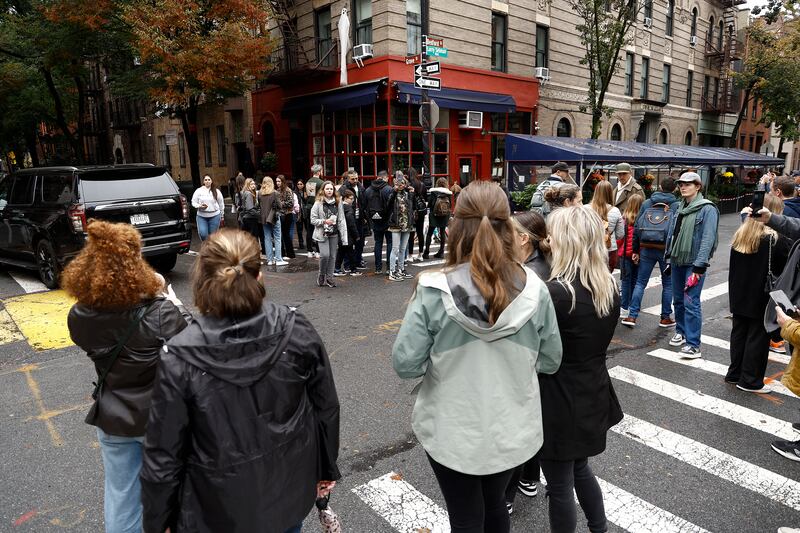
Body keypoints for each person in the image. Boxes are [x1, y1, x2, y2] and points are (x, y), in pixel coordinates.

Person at [140, 229, 340, 533]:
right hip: (287, 486)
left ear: (203, 282)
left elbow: (164, 454)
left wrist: (158, 521)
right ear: (259, 277)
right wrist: (325, 468)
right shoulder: (295, 327)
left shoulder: (179, 356)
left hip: (217, 505)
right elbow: (325, 407)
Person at [392, 181, 562, 533]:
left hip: (452, 429)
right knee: (495, 505)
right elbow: (550, 361)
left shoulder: (432, 289)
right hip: (511, 429)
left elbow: (406, 364)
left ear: (456, 227)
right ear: (508, 227)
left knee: (466, 516)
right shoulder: (536, 289)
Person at [62, 220, 189, 533]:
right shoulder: (160, 312)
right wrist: (172, 301)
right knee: (176, 491)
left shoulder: (79, 316)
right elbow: (191, 341)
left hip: (113, 416)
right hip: (160, 418)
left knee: (121, 496)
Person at [538, 206, 623, 533]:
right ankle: (599, 528)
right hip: (593, 389)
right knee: (580, 469)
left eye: (553, 235)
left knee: (559, 483)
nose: (548, 240)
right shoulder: (608, 286)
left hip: (557, 397)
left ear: (566, 241)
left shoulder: (556, 293)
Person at [503, 209, 551, 511]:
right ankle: (529, 478)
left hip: (523, 364)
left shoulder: (530, 275)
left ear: (523, 238)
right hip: (535, 363)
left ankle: (507, 494)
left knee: (515, 428)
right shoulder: (539, 266)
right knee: (531, 421)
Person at [725, 194, 790, 392]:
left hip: (739, 292)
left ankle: (734, 373)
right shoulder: (775, 239)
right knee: (758, 336)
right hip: (761, 294)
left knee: (739, 333)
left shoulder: (741, 234)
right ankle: (750, 380)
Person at [664, 171, 720, 359]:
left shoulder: (707, 209)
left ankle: (693, 344)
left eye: (688, 184)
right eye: (681, 184)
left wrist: (699, 265)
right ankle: (680, 331)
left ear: (698, 186)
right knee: (678, 300)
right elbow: (673, 235)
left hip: (694, 262)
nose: (683, 187)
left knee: (691, 302)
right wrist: (669, 258)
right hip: (677, 260)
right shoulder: (679, 207)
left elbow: (708, 238)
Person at [622, 176, 679, 328]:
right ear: (675, 189)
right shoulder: (677, 205)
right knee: (667, 285)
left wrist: (635, 249)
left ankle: (632, 316)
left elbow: (637, 228)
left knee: (640, 282)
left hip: (646, 247)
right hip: (666, 250)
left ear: (660, 186)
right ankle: (665, 317)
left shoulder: (647, 203)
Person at [311, 181, 348, 287]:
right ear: (323, 190)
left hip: (334, 233)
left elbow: (341, 219)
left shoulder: (338, 202)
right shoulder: (318, 203)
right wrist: (324, 221)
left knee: (332, 256)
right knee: (325, 255)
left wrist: (344, 237)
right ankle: (321, 274)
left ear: (334, 191)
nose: (329, 191)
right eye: (327, 189)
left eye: (331, 189)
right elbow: (313, 220)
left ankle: (330, 277)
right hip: (322, 233)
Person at [587, 180, 624, 272]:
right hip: (609, 249)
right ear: (610, 193)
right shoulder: (615, 211)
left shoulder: (585, 209)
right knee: (607, 278)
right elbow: (620, 234)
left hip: (589, 249)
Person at [618, 194, 644, 317]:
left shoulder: (625, 220)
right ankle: (633, 306)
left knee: (625, 281)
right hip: (638, 254)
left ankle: (624, 307)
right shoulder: (643, 220)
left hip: (625, 254)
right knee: (636, 281)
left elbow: (620, 239)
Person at [363, 170, 394, 274]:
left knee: (378, 242)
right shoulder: (388, 189)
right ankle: (389, 267)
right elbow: (392, 205)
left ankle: (378, 268)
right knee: (390, 242)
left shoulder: (368, 190)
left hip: (375, 220)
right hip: (387, 219)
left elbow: (365, 206)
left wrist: (369, 219)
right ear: (385, 178)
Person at [339, 171, 369, 270]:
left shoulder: (361, 187)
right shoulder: (343, 188)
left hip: (359, 217)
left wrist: (364, 216)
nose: (355, 180)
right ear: (348, 179)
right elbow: (339, 204)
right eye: (352, 179)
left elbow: (364, 202)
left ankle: (357, 261)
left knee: (360, 242)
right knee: (348, 243)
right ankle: (348, 264)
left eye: (356, 178)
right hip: (348, 218)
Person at [388, 175, 415, 282]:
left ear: (405, 184)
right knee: (395, 248)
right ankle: (392, 271)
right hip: (395, 224)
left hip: (406, 224)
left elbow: (412, 207)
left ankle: (401, 269)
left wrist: (412, 194)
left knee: (403, 249)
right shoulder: (392, 194)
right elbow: (388, 205)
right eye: (398, 184)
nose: (400, 185)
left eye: (402, 183)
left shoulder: (408, 194)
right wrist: (394, 192)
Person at [334, 189, 362, 277]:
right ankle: (353, 269)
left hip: (341, 233)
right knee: (350, 252)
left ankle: (337, 269)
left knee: (341, 252)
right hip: (348, 234)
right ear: (345, 198)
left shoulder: (340, 206)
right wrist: (356, 235)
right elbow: (351, 223)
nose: (352, 200)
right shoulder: (349, 209)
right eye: (351, 198)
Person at [259, 177, 287, 266]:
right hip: (274, 217)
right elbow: (279, 206)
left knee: (267, 238)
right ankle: (278, 259)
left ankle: (270, 260)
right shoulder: (275, 193)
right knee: (277, 238)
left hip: (263, 217)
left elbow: (259, 205)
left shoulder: (259, 193)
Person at [424, 178, 453, 259]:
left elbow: (430, 204)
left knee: (430, 233)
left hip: (434, 215)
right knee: (442, 232)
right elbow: (450, 205)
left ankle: (426, 252)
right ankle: (441, 252)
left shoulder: (434, 192)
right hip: (444, 215)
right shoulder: (448, 193)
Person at [191, 175, 225, 241]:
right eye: (205, 180)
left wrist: (222, 215)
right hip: (202, 216)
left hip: (215, 216)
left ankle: (210, 249)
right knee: (203, 234)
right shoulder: (198, 191)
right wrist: (199, 206)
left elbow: (221, 203)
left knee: (212, 237)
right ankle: (206, 245)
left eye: (209, 180)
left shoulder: (216, 191)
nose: (207, 181)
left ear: (211, 181)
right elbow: (193, 202)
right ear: (203, 181)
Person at [407, 168, 428, 262]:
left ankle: (410, 255)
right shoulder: (422, 185)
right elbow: (425, 198)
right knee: (420, 233)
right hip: (421, 211)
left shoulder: (408, 185)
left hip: (411, 211)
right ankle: (420, 254)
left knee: (411, 233)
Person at [304, 164, 325, 258]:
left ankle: (309, 250)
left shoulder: (308, 182)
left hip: (308, 207)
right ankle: (318, 251)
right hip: (317, 207)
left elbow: (306, 196)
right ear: (319, 171)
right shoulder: (321, 183)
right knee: (318, 228)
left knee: (309, 229)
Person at [239, 178, 264, 254]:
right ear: (247, 185)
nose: (253, 186)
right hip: (251, 219)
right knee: (254, 239)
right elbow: (250, 208)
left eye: (254, 184)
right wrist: (260, 215)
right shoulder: (249, 194)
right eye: (251, 184)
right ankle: (255, 256)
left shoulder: (245, 193)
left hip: (246, 218)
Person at [275, 175, 296, 260]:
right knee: (281, 235)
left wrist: (281, 203)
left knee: (286, 234)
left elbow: (291, 203)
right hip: (280, 214)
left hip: (287, 214)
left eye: (279, 181)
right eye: (276, 181)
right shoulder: (277, 190)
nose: (277, 183)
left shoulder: (288, 190)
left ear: (283, 181)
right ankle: (282, 253)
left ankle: (290, 254)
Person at [295, 178, 307, 250]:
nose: (299, 185)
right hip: (299, 213)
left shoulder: (306, 192)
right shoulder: (295, 193)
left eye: (301, 184)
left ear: (304, 185)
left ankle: (311, 242)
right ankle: (301, 243)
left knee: (307, 229)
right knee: (299, 229)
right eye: (298, 184)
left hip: (305, 213)